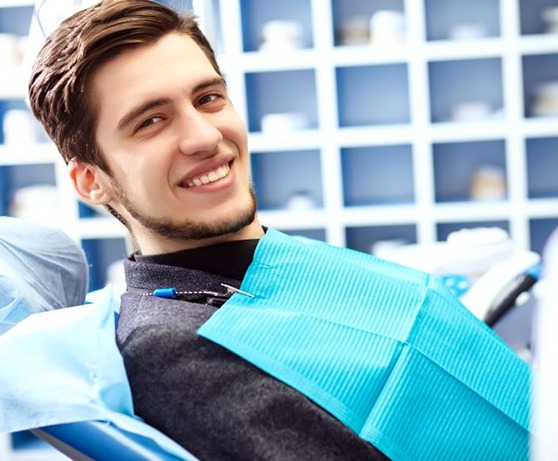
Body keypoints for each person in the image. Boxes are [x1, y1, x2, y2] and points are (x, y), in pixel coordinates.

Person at [27, 1, 531, 460]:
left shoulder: (270, 260)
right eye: (151, 121)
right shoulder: (175, 351)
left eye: (208, 98)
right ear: (92, 181)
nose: (205, 137)